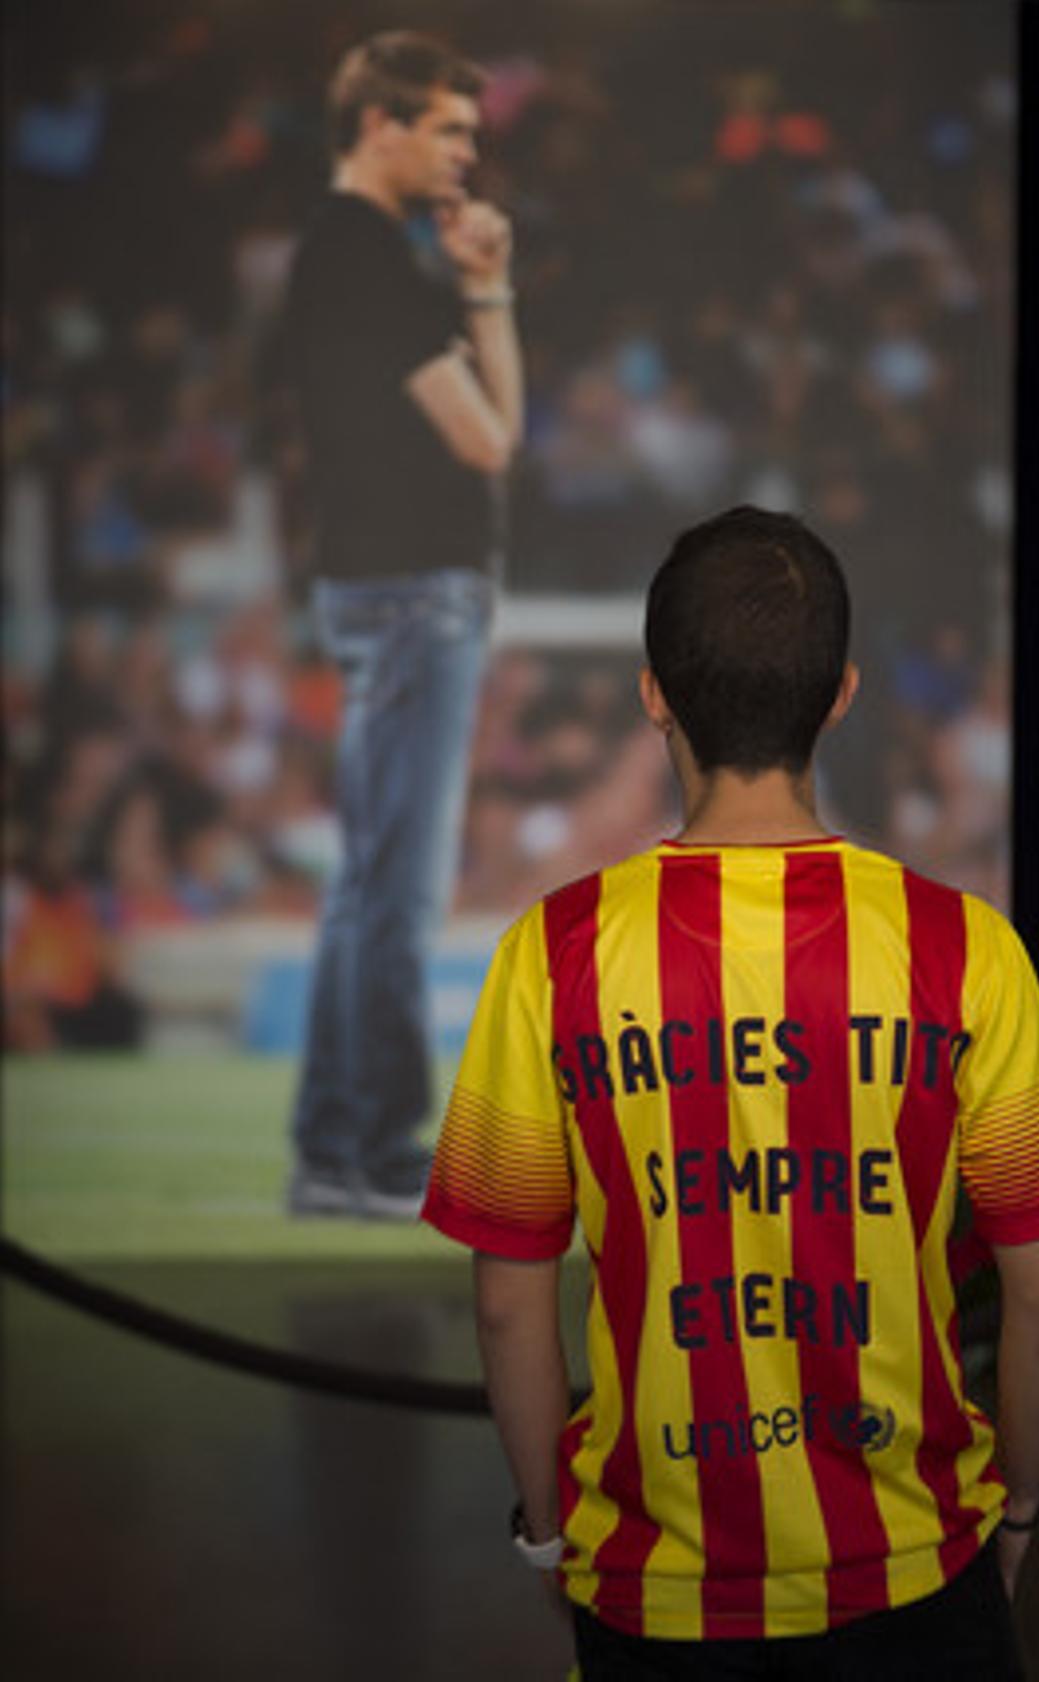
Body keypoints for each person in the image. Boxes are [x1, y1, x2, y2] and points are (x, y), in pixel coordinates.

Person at [422, 506, 1039, 1679]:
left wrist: (547, 1534)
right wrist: (1020, 1515)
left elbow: (506, 1303)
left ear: (653, 696)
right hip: (917, 1564)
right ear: (838, 696)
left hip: (654, 1584)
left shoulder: (552, 951)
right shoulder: (964, 945)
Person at [284, 31, 523, 1218]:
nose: (467, 152)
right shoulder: (362, 255)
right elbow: (486, 439)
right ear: (378, 123)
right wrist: (471, 294)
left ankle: (337, 1151)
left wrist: (484, 284)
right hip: (412, 591)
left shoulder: (366, 255)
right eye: (448, 127)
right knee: (397, 889)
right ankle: (373, 1153)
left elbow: (501, 431)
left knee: (372, 884)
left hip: (398, 588)